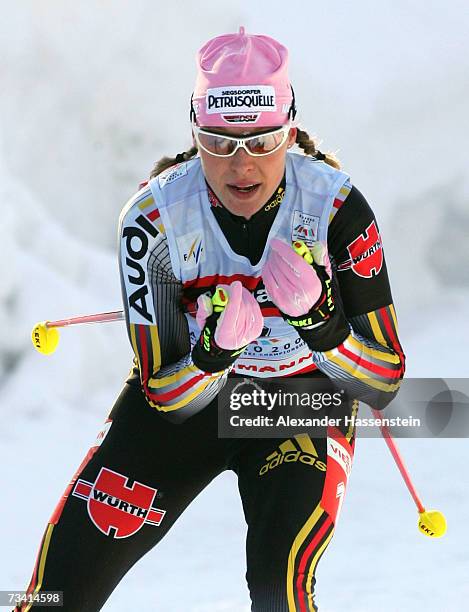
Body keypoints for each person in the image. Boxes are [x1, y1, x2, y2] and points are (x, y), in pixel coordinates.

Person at [16, 27, 405, 612]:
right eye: (219, 143)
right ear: (194, 135)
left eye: (262, 141)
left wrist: (323, 324)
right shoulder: (154, 219)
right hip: (190, 406)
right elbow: (163, 393)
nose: (240, 165)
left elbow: (384, 379)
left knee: (281, 588)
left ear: (291, 133)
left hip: (299, 400)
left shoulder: (335, 208)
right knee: (56, 596)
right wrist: (210, 355)